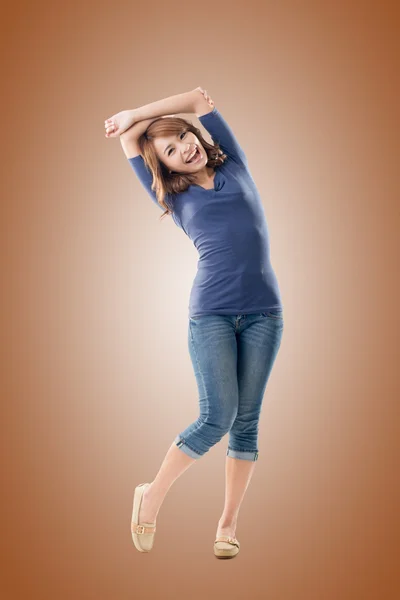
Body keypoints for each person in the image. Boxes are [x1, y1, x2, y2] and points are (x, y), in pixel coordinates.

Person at [104, 87, 284, 558]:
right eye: (170, 149)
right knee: (216, 417)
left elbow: (200, 98)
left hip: (266, 314)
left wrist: (143, 112)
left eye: (184, 135)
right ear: (162, 167)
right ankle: (153, 494)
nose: (185, 146)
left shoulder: (234, 165)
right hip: (211, 316)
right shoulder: (171, 195)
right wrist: (136, 123)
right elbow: (129, 140)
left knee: (247, 424)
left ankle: (227, 524)